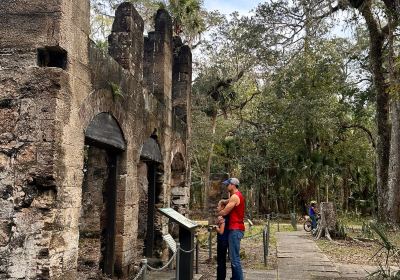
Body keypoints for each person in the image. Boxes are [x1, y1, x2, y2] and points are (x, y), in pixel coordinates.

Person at [217, 178, 245, 280]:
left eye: (228, 184)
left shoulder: (235, 197)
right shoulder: (235, 195)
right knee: (234, 258)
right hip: (235, 229)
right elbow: (226, 201)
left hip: (235, 229)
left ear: (233, 185)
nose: (226, 186)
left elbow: (224, 212)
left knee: (235, 259)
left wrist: (219, 212)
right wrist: (222, 201)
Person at [215, 204, 230, 280]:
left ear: (223, 208)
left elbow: (221, 231)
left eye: (218, 206)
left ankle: (220, 278)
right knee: (222, 260)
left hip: (222, 241)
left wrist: (216, 227)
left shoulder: (223, 218)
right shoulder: (226, 217)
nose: (217, 207)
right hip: (225, 240)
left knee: (220, 261)